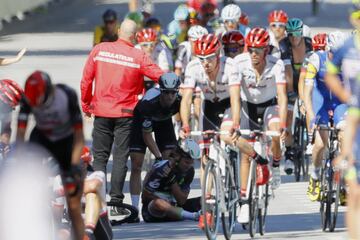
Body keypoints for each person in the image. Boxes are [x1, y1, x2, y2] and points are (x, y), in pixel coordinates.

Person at [80, 19, 163, 208]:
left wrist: (86, 105)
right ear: (135, 36)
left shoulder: (99, 50)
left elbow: (86, 80)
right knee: (120, 157)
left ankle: (97, 199)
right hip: (126, 114)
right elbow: (159, 75)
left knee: (100, 157)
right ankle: (117, 202)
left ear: (119, 31)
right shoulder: (138, 56)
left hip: (101, 111)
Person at [16, 70, 85, 240]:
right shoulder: (27, 99)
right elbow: (20, 135)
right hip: (42, 137)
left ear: (50, 91)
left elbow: (79, 136)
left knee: (73, 202)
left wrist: (75, 165)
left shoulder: (67, 95)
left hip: (65, 140)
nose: (38, 107)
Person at [231, 27, 288, 223]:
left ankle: (276, 164)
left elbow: (281, 95)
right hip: (248, 106)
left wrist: (283, 124)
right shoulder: (239, 62)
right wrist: (236, 121)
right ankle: (245, 202)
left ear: (266, 50)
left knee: (274, 133)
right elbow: (235, 96)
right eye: (250, 49)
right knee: (245, 153)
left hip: (269, 106)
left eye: (258, 50)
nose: (254, 54)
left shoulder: (277, 64)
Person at [325, 2, 360, 237]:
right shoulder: (347, 46)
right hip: (355, 113)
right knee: (355, 193)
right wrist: (346, 96)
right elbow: (329, 73)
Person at [303, 31, 348, 202]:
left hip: (340, 103)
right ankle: (314, 177)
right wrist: (311, 115)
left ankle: (343, 183)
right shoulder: (316, 59)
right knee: (321, 143)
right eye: (333, 53)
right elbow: (307, 93)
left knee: (344, 135)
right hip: (320, 101)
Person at [129, 73, 181, 213]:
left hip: (164, 121)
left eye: (173, 93)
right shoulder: (148, 104)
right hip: (142, 120)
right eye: (166, 92)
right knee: (136, 164)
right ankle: (135, 207)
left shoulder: (179, 100)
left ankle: (167, 198)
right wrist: (157, 156)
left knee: (169, 161)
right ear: (161, 90)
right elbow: (147, 135)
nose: (170, 96)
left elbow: (182, 116)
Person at [52, 146, 113, 240]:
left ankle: (88, 233)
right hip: (74, 224)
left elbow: (92, 186)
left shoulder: (96, 175)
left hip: (99, 227)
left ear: (86, 164)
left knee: (92, 194)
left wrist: (64, 191)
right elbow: (57, 214)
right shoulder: (59, 179)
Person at [279, 18, 313, 175]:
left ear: (302, 33)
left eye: (297, 34)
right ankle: (289, 153)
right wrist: (291, 92)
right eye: (290, 34)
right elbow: (287, 71)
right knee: (289, 114)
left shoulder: (308, 43)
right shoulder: (284, 44)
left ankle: (310, 135)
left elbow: (312, 68)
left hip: (306, 76)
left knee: (309, 104)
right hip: (290, 77)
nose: (294, 38)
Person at [141, 140, 202, 223]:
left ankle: (200, 215)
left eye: (191, 163)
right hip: (155, 211)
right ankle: (193, 216)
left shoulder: (189, 171)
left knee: (206, 199)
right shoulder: (161, 168)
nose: (189, 166)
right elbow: (144, 197)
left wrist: (171, 179)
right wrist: (164, 201)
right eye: (187, 162)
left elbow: (182, 201)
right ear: (177, 157)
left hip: (177, 207)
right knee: (157, 203)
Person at [0, 79, 23, 155]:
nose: (8, 110)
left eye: (11, 108)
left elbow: (6, 130)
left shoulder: (6, 111)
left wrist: (4, 145)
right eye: (7, 106)